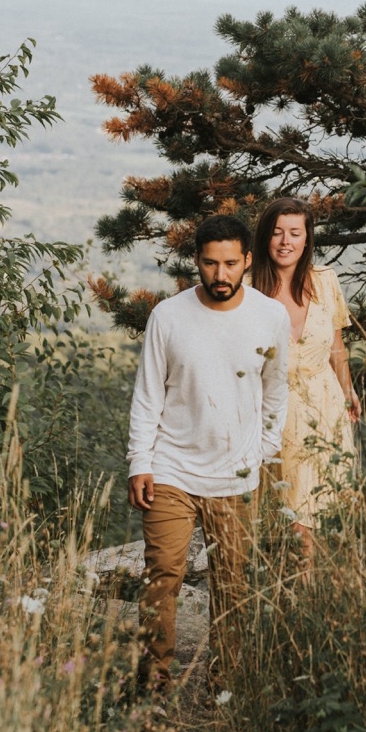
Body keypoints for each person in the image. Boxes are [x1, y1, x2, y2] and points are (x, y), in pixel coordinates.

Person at [127, 214, 289, 692]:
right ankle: (154, 683)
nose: (221, 275)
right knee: (162, 579)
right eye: (211, 263)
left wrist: (261, 450)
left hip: (237, 476)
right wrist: (141, 462)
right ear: (196, 261)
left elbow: (276, 391)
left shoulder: (270, 316)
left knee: (233, 585)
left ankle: (227, 684)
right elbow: (148, 395)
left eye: (231, 264)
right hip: (172, 468)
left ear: (248, 262)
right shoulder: (168, 316)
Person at [251, 197, 361, 562]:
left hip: (324, 404)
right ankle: (294, 586)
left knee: (321, 505)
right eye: (278, 233)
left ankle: (314, 587)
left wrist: (349, 391)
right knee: (285, 507)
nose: (286, 241)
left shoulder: (325, 282)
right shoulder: (249, 288)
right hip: (271, 408)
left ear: (307, 238)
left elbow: (337, 347)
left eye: (295, 233)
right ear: (265, 238)